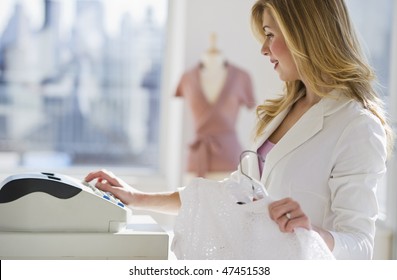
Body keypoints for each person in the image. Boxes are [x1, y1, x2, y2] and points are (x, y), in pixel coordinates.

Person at [85, 0, 394, 259]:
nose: (263, 48)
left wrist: (309, 232)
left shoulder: (357, 126)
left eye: (271, 34)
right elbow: (228, 197)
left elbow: (361, 245)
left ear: (304, 36)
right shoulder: (284, 111)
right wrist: (137, 197)